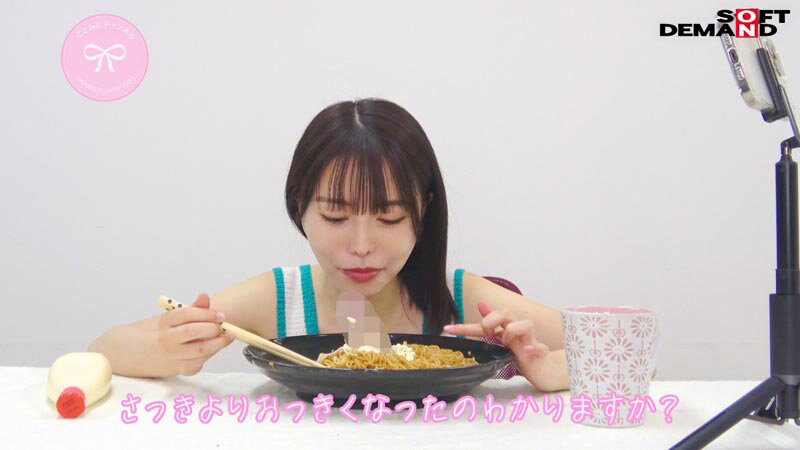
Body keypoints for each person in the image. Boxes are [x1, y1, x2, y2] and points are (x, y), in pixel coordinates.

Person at [88, 98, 570, 392]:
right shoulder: (279, 298)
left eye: (389, 217)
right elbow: (103, 350)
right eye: (336, 217)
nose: (361, 246)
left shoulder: (460, 298)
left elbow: (605, 346)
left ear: (423, 211)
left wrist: (549, 369)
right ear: (299, 206)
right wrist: (167, 350)